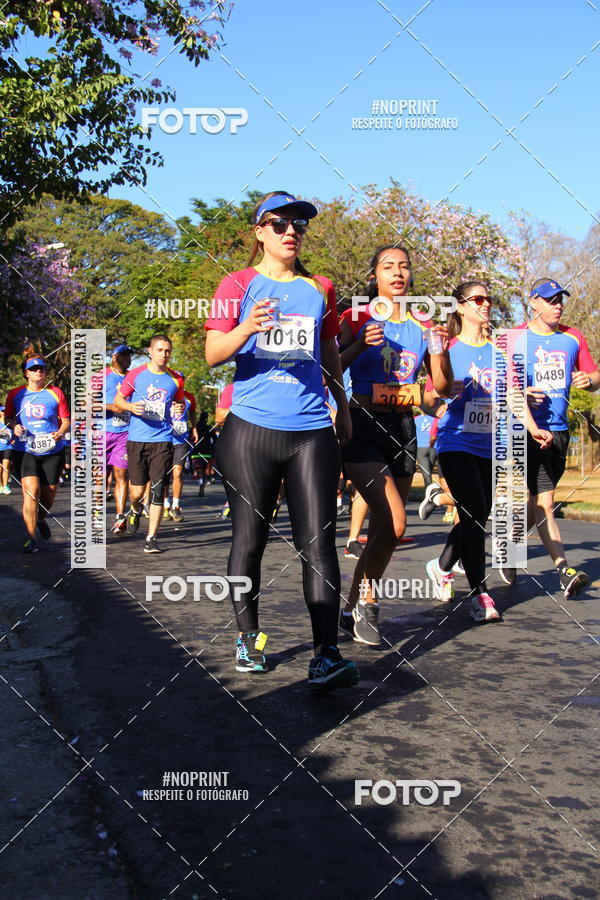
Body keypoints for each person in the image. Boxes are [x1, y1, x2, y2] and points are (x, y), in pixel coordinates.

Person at [204, 189, 359, 691]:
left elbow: (330, 351)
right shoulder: (236, 284)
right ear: (259, 232)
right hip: (250, 429)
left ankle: (325, 655)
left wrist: (342, 403)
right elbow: (213, 354)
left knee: (319, 544)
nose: (290, 231)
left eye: (298, 225)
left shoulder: (320, 288)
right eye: (278, 223)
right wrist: (247, 326)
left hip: (312, 429)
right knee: (249, 541)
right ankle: (249, 640)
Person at [337, 245, 453, 645]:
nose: (398, 272)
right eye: (388, 266)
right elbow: (329, 366)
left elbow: (438, 385)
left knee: (386, 530)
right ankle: (368, 603)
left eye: (404, 265)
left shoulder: (422, 323)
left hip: (404, 426)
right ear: (374, 277)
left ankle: (351, 607)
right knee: (397, 521)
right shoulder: (356, 315)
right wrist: (357, 346)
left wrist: (439, 348)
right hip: (362, 425)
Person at [424, 282, 553, 622]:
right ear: (461, 308)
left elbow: (511, 394)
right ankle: (479, 593)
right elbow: (427, 398)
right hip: (455, 442)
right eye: (477, 299)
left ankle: (441, 567)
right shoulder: (448, 348)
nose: (485, 304)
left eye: (488, 299)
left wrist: (531, 426)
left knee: (475, 515)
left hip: (487, 445)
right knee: (476, 510)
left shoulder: (499, 353)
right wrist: (437, 406)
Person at [499, 278, 599, 597]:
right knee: (545, 501)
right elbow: (498, 386)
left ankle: (510, 548)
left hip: (558, 431)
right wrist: (520, 394)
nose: (557, 305)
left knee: (538, 501)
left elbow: (595, 375)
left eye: (560, 300)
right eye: (550, 300)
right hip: (521, 430)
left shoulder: (573, 338)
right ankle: (563, 569)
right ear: (533, 303)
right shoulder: (512, 338)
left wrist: (590, 379)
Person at [114, 334, 185, 553]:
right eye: (160, 350)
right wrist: (129, 407)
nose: (164, 355)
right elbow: (118, 400)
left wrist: (179, 409)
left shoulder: (176, 379)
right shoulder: (136, 375)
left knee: (157, 489)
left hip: (162, 440)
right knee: (136, 492)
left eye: (168, 351)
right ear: (150, 351)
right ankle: (135, 510)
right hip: (137, 440)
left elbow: (179, 403)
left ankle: (151, 538)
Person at [5, 356, 71, 553]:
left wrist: (60, 432)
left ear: (46, 372)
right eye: (33, 369)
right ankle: (31, 537)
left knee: (48, 495)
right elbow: (8, 417)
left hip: (52, 451)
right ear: (26, 373)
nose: (38, 372)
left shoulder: (55, 393)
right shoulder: (16, 394)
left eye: (41, 369)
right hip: (26, 451)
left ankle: (41, 518)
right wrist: (15, 426)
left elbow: (67, 420)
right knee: (31, 493)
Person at [96, 343, 134, 535]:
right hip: (102, 432)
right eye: (123, 355)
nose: (127, 359)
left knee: (121, 474)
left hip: (124, 433)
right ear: (113, 357)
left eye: (129, 356)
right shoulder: (101, 376)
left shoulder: (133, 377)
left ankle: (120, 517)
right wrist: (111, 407)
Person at [165, 392, 196, 521]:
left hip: (181, 441)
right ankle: (165, 504)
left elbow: (193, 413)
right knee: (164, 474)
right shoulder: (165, 394)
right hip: (165, 439)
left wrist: (194, 428)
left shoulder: (189, 397)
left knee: (177, 472)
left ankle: (176, 506)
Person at [414, 410, 436, 487]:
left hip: (420, 448)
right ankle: (429, 494)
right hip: (433, 448)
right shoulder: (435, 419)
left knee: (427, 474)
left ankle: (429, 493)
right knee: (429, 472)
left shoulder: (415, 419)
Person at [0, 406, 15, 494]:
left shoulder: (10, 423)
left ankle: (6, 486)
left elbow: (15, 433)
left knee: (6, 466)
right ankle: (0, 486)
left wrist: (14, 439)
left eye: (5, 410)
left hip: (8, 447)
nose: (4, 412)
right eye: (2, 411)